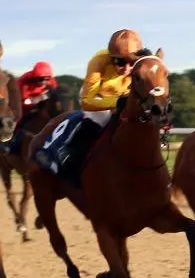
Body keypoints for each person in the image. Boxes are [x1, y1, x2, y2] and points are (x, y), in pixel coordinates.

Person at [48, 29, 147, 182]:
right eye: (120, 62)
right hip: (97, 95)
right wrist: (117, 103)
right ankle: (69, 154)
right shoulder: (99, 60)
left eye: (132, 62)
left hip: (125, 96)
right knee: (100, 120)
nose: (127, 68)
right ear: (111, 57)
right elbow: (87, 101)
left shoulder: (144, 61)